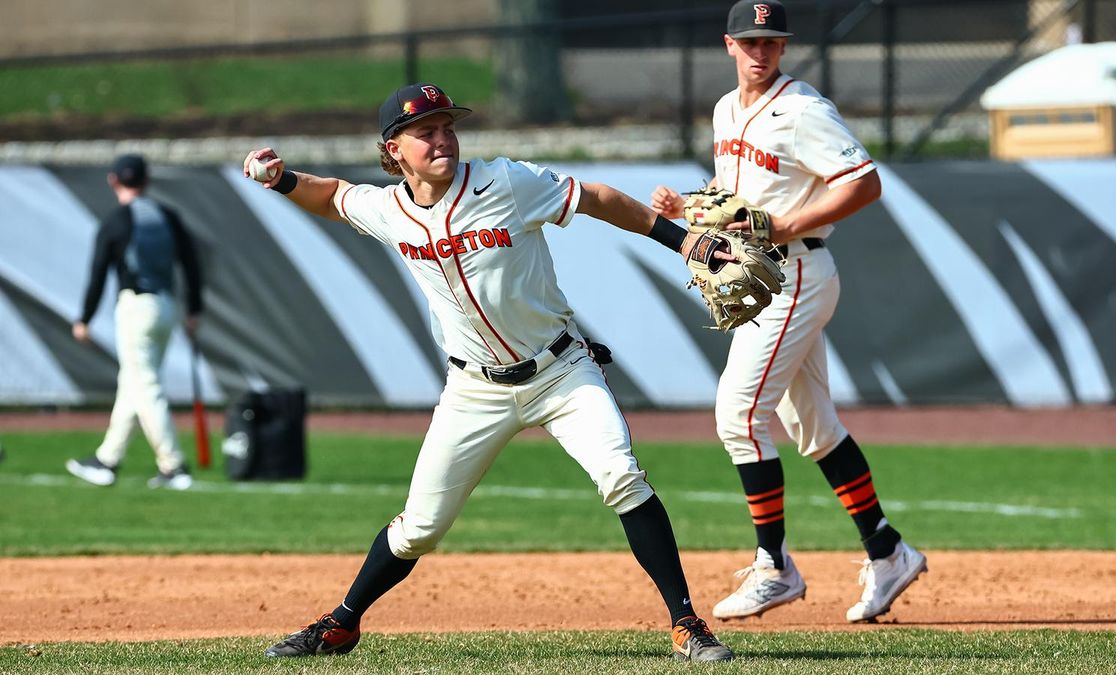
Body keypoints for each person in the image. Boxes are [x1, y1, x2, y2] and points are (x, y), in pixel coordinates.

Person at [247, 82, 734, 661]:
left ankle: (686, 623)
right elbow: (333, 197)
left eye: (447, 126)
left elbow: (598, 197)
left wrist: (684, 242)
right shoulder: (389, 209)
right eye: (425, 131)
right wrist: (281, 181)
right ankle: (343, 623)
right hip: (473, 389)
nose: (442, 138)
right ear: (393, 149)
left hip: (561, 372)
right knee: (420, 528)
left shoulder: (505, 182)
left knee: (621, 476)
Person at [651, 0, 926, 623]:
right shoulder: (726, 110)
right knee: (813, 427)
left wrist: (785, 225)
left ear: (783, 47)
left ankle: (774, 566)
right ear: (729, 45)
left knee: (738, 416)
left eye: (772, 40)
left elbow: (863, 182)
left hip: (796, 272)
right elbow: (737, 206)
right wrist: (688, 211)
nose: (761, 50)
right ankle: (888, 552)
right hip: (763, 274)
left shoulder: (803, 110)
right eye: (750, 40)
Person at [66, 154, 203, 491]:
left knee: (146, 386)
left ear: (114, 180)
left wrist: (84, 318)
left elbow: (98, 272)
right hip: (166, 307)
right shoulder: (168, 216)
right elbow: (191, 262)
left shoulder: (115, 222)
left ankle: (174, 466)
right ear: (147, 180)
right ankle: (107, 460)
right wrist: (194, 309)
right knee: (133, 384)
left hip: (135, 308)